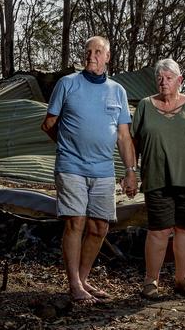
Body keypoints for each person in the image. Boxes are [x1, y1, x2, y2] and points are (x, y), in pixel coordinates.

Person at [41, 36, 138, 304]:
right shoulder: (68, 84)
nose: (91, 56)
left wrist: (131, 171)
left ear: (107, 57)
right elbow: (49, 123)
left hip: (104, 170)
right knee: (76, 221)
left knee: (99, 227)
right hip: (71, 165)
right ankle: (74, 284)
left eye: (97, 51)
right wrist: (67, 144)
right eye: (88, 51)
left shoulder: (117, 90)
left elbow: (124, 136)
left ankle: (83, 279)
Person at [131, 58, 185, 299]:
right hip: (157, 175)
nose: (163, 82)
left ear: (179, 81)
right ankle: (151, 282)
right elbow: (134, 142)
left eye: (169, 78)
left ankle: (182, 279)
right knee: (158, 229)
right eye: (160, 78)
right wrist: (132, 172)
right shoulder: (146, 106)